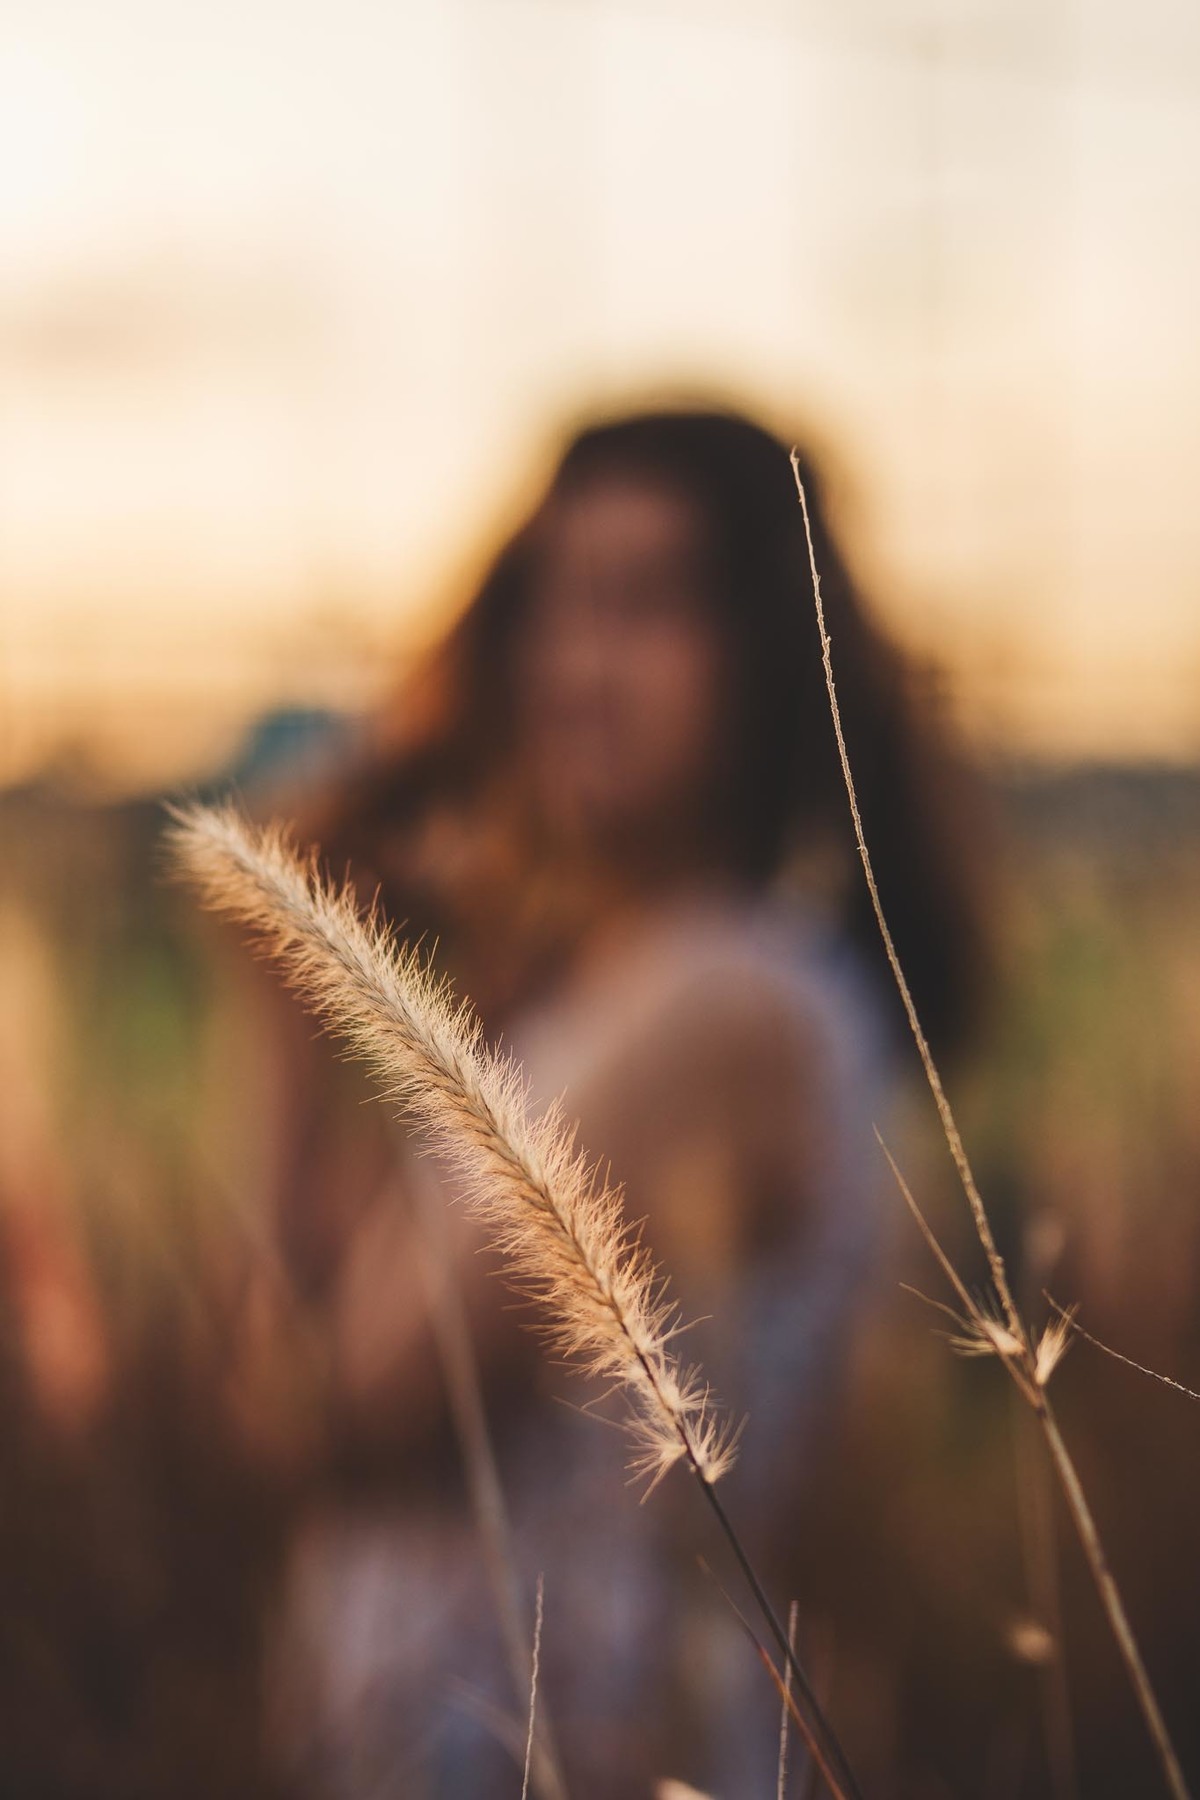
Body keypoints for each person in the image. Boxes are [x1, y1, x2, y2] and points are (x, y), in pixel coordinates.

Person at [259, 405, 990, 1799]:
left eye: (647, 604)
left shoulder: (716, 1005)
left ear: (770, 653)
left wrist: (293, 984)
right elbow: (315, 1331)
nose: (577, 666)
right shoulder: (603, 993)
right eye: (556, 604)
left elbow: (348, 1409)